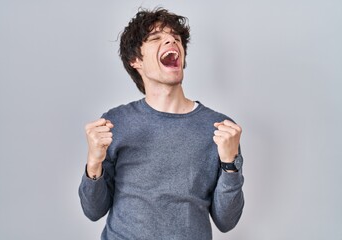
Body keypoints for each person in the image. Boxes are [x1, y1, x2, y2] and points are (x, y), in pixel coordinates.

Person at [79, 7, 244, 240]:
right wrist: (94, 162)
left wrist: (230, 165)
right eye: (156, 38)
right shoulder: (116, 123)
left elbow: (227, 221)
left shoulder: (220, 129)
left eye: (176, 38)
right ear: (135, 60)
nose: (171, 40)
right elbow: (93, 210)